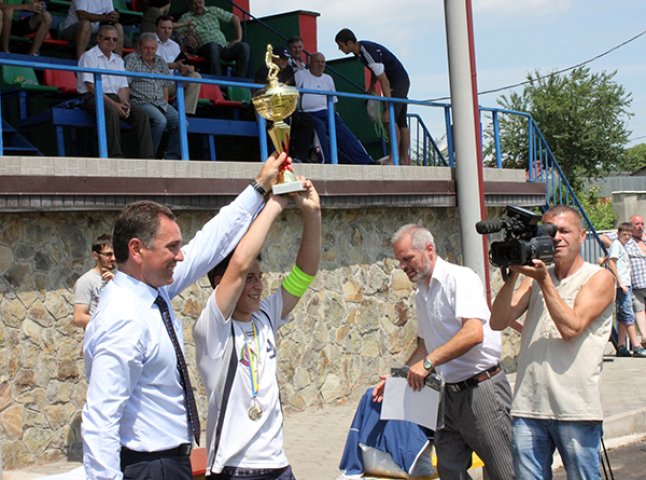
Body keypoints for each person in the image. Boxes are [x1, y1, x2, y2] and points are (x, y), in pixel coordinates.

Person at [81, 152, 285, 479]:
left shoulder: (152, 290)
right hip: (148, 467)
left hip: (170, 462)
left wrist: (260, 187)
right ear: (136, 250)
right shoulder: (122, 317)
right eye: (172, 247)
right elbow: (101, 418)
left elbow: (210, 243)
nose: (180, 256)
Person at [193, 177, 321, 479]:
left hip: (277, 464)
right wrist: (275, 203)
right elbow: (237, 265)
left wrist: (312, 214)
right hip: (234, 468)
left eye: (259, 276)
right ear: (219, 283)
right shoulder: (212, 327)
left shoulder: (265, 314)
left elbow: (305, 273)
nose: (258, 285)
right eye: (249, 278)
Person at [375, 224, 514, 480]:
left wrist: (427, 364)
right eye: (400, 261)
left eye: (407, 259)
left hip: (482, 390)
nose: (403, 266)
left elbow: (473, 333)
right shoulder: (422, 293)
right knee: (450, 470)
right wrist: (399, 376)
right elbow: (427, 344)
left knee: (504, 472)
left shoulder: (460, 279)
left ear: (429, 249)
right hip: (448, 393)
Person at [490, 205, 615, 479]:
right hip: (528, 406)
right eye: (549, 232)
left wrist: (544, 281)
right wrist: (512, 275)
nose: (556, 237)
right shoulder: (536, 277)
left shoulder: (599, 278)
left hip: (575, 410)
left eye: (564, 231)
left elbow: (572, 328)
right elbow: (498, 321)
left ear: (582, 236)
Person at [77, 24, 153, 159]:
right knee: (111, 112)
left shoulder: (118, 60)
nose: (111, 42)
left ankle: (148, 158)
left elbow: (123, 87)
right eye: (107, 39)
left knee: (142, 115)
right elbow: (91, 87)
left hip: (115, 98)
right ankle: (115, 156)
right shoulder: (88, 56)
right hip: (93, 97)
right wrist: (115, 105)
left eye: (115, 39)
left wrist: (124, 102)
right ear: (98, 39)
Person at [335, 28, 410, 164]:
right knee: (401, 121)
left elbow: (384, 81)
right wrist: (370, 87)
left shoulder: (366, 52)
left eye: (341, 45)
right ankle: (403, 159)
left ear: (350, 43)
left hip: (396, 81)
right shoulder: (360, 53)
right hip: (399, 79)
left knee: (389, 119)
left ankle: (395, 158)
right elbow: (375, 71)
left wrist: (387, 107)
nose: (340, 49)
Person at [295, 52, 374, 166]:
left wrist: (335, 115)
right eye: (317, 61)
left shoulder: (328, 79)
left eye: (323, 62)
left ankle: (365, 161)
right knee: (319, 127)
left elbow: (333, 102)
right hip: (308, 113)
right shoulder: (301, 75)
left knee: (345, 133)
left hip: (327, 113)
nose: (320, 64)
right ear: (310, 63)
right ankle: (327, 161)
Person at [125, 32, 181, 159]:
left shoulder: (161, 61)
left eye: (153, 48)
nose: (150, 51)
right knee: (160, 121)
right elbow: (125, 84)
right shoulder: (131, 59)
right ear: (139, 47)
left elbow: (165, 86)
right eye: (146, 48)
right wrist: (126, 101)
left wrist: (165, 104)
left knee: (182, 122)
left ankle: (170, 158)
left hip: (160, 102)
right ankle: (150, 157)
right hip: (140, 101)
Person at [602, 214, 646, 347]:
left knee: (622, 316)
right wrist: (620, 283)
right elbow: (612, 261)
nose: (627, 236)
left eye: (642, 224)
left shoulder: (639, 240)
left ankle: (621, 346)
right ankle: (637, 345)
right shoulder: (619, 243)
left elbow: (612, 258)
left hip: (628, 283)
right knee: (629, 314)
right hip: (628, 284)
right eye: (636, 224)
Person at [177, 0, 249, 77]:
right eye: (194, 3)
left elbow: (235, 18)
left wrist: (238, 38)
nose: (198, 5)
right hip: (203, 49)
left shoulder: (212, 10)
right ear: (190, 5)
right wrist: (187, 36)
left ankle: (239, 83)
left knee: (244, 47)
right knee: (213, 47)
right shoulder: (186, 17)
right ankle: (217, 83)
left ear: (204, 2)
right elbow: (175, 32)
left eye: (200, 2)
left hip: (224, 46)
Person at [155, 14, 201, 115]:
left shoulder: (175, 45)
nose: (167, 31)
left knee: (195, 76)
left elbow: (179, 64)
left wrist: (186, 68)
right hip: (153, 83)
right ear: (156, 28)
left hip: (171, 82)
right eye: (163, 28)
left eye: (169, 28)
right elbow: (147, 65)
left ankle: (186, 114)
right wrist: (173, 65)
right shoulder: (149, 42)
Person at [72, 233, 116, 329]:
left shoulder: (116, 279)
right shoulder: (86, 281)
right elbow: (78, 318)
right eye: (108, 254)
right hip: (100, 341)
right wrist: (109, 323)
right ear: (95, 255)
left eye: (115, 254)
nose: (113, 258)